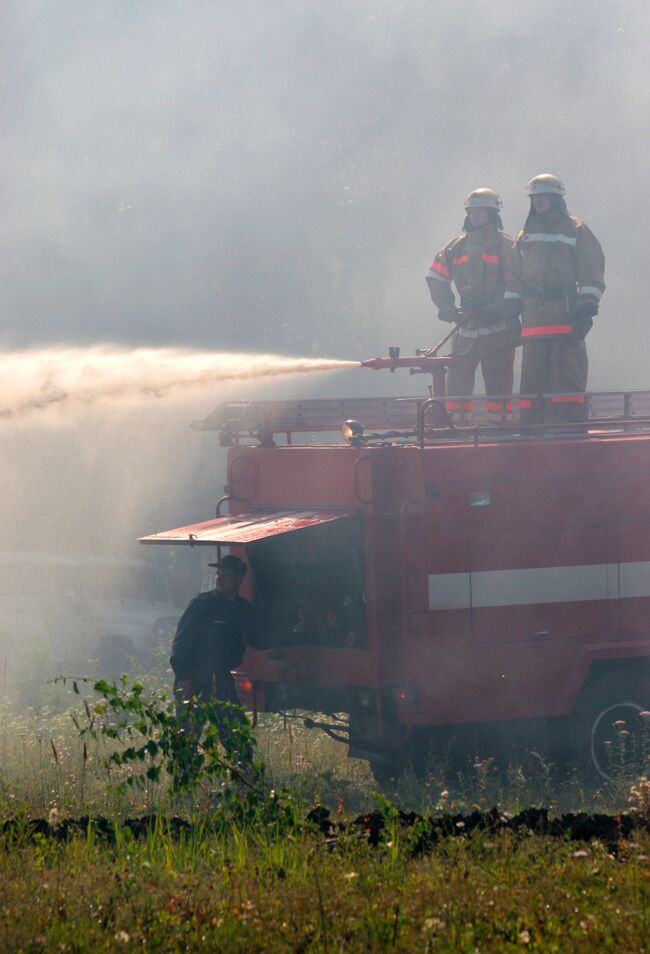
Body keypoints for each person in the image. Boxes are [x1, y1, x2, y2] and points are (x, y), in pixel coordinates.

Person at [510, 173, 605, 425]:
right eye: (535, 197)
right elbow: (514, 273)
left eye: (544, 196)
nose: (539, 201)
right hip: (533, 319)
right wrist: (510, 305)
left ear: (556, 199)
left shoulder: (575, 229)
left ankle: (570, 428)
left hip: (565, 316)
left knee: (567, 376)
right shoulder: (525, 234)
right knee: (531, 380)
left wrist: (586, 307)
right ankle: (530, 430)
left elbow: (591, 269)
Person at [426, 188, 521, 423]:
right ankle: (454, 428)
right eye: (471, 211)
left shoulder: (506, 246)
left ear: (492, 213)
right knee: (457, 385)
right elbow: (436, 277)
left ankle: (501, 432)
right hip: (465, 330)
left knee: (499, 387)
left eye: (480, 211)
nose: (475, 216)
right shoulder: (456, 247)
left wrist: (498, 306)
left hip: (498, 331)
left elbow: (519, 282)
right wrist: (447, 306)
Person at [170, 554, 256, 754]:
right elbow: (181, 642)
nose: (219, 578)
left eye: (225, 575)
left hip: (221, 679)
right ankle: (185, 778)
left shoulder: (243, 610)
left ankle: (245, 776)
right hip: (193, 679)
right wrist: (183, 678)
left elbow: (258, 638)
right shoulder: (203, 604)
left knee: (236, 732)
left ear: (239, 579)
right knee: (187, 735)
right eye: (218, 574)